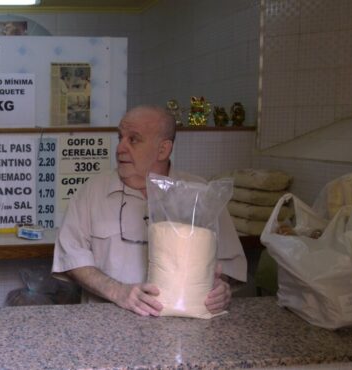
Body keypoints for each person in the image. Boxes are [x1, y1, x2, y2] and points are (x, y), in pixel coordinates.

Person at [52, 105, 246, 316]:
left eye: (133, 139)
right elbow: (72, 258)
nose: (120, 148)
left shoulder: (201, 195)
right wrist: (119, 292)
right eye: (120, 138)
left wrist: (220, 288)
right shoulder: (91, 192)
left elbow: (228, 266)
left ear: (163, 149)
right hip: (106, 327)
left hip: (181, 332)